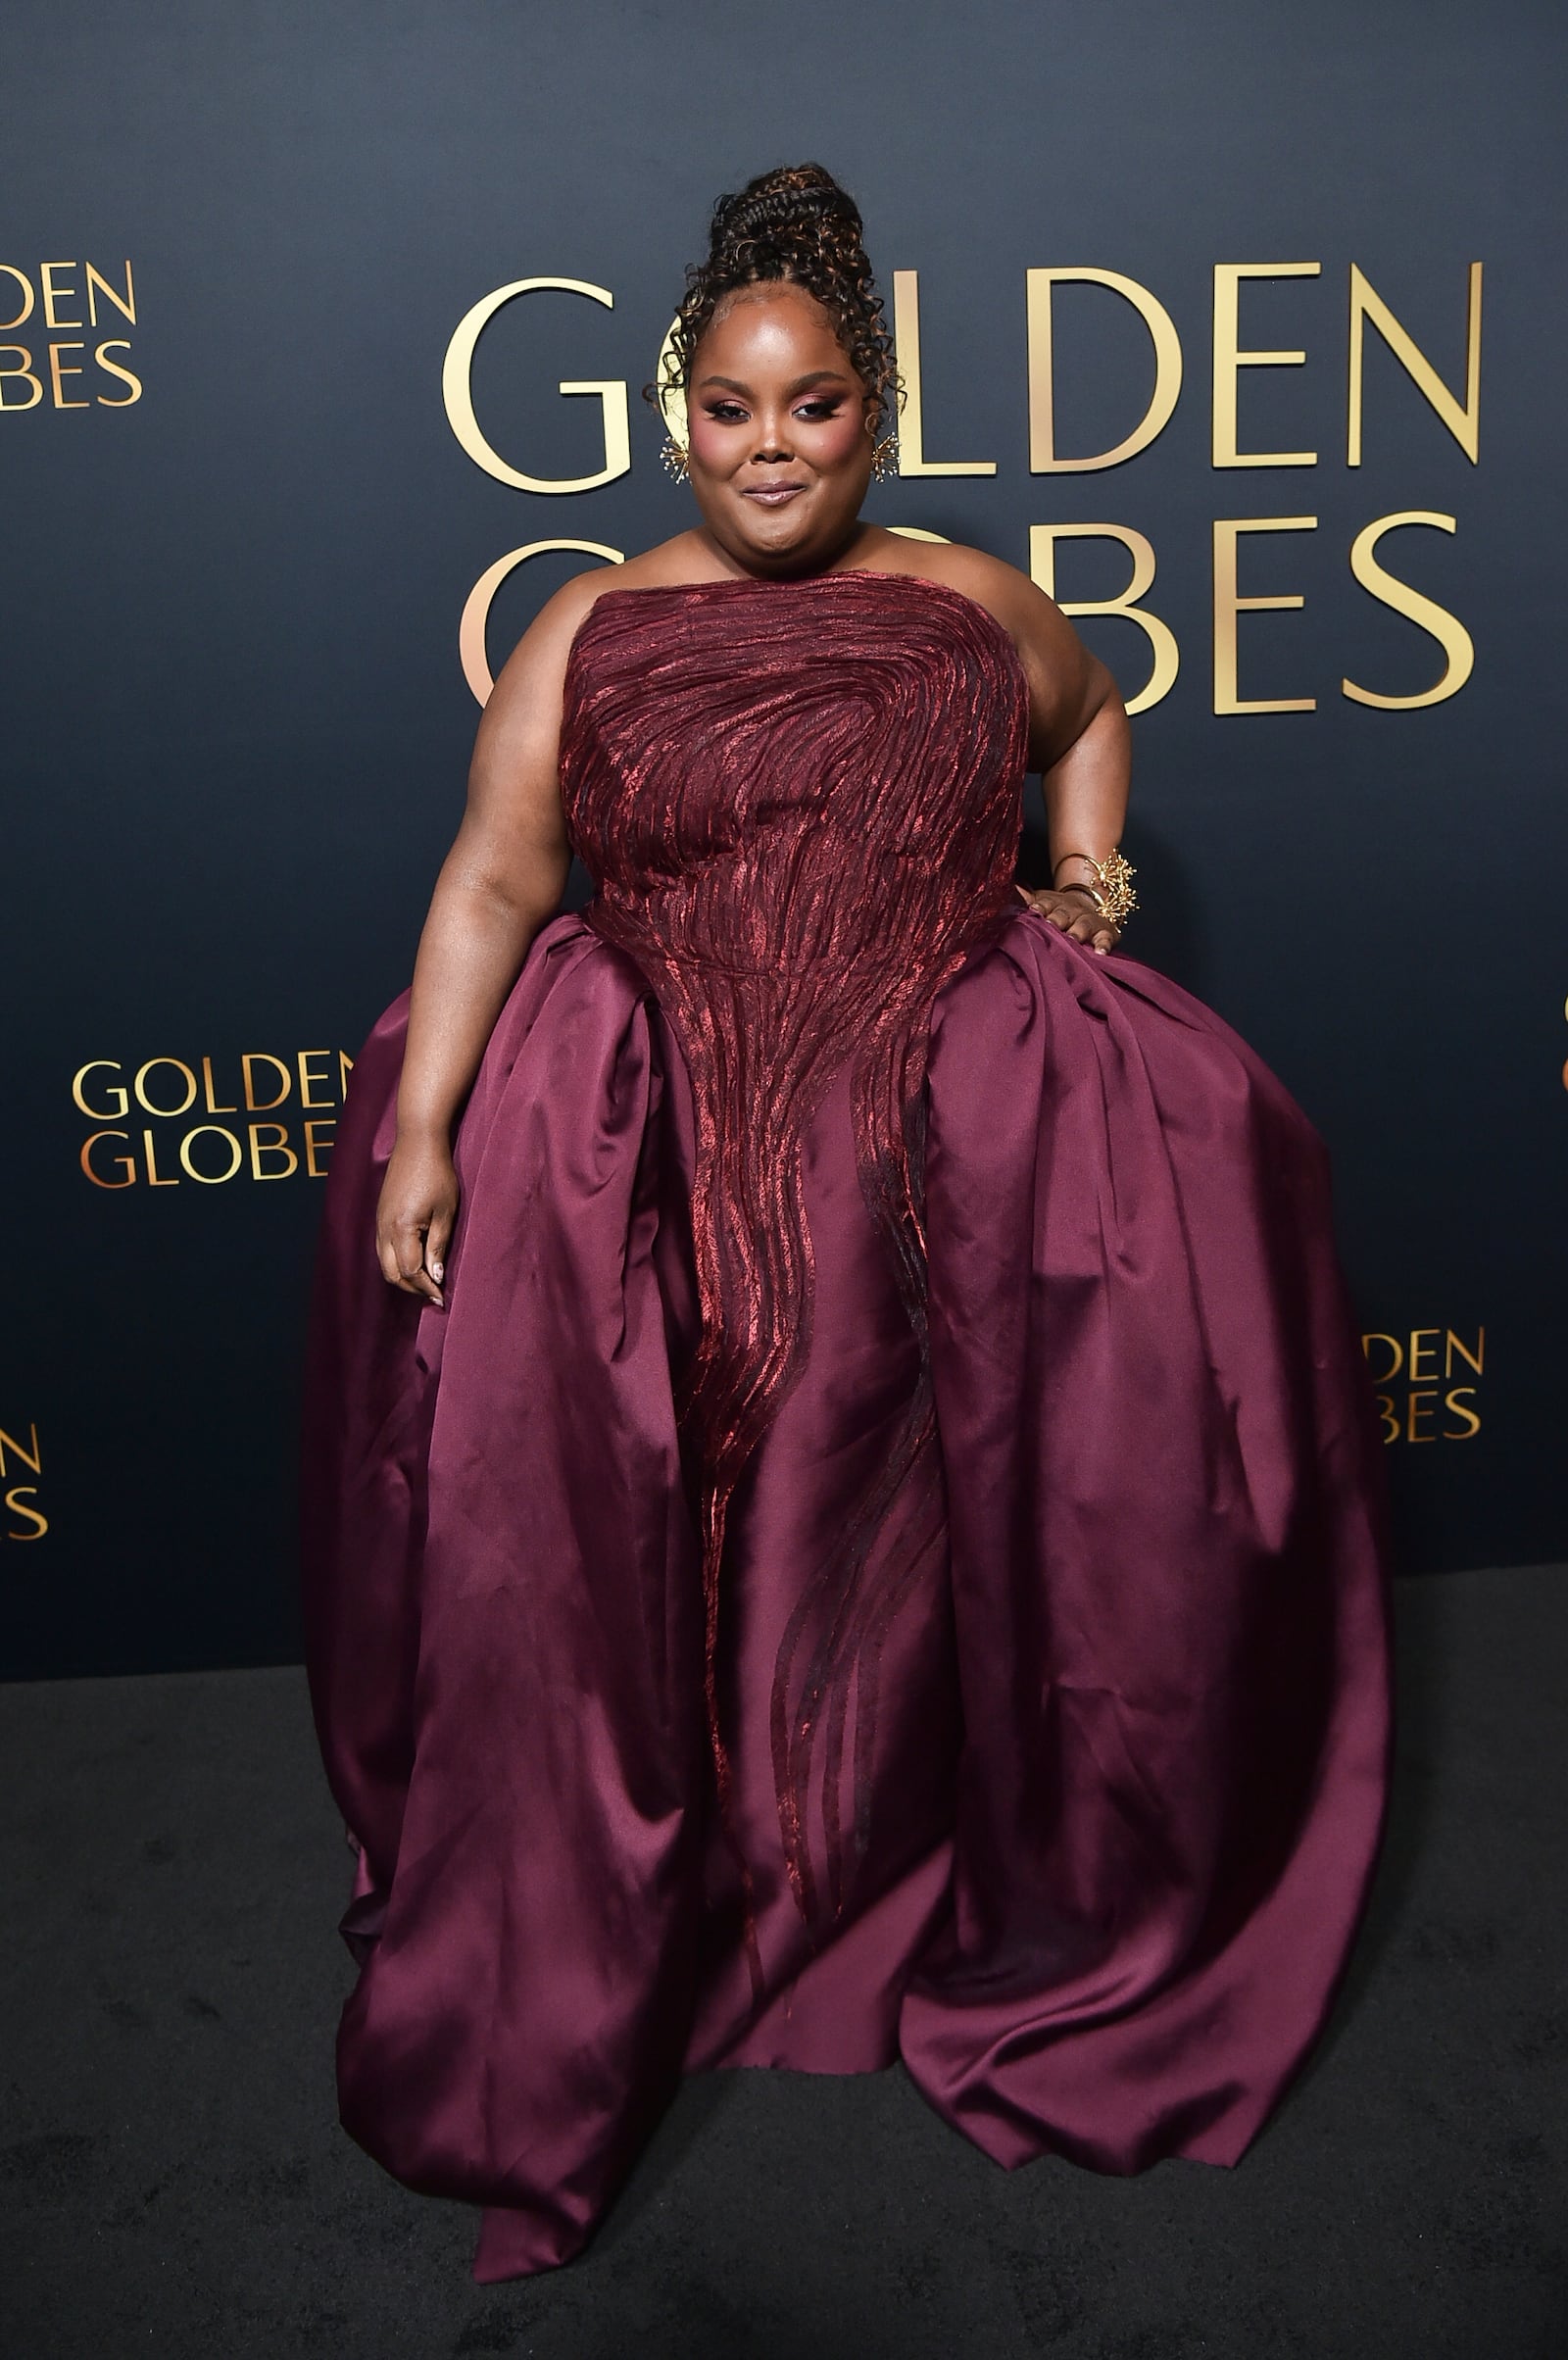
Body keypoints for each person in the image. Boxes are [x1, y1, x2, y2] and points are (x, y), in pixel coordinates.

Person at [301, 163, 1392, 2286]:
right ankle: (693, 1897)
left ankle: (891, 1875)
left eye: (808, 409)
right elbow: (487, 890)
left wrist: (1083, 889)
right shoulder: (590, 629)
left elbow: (1089, 726)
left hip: (935, 1166)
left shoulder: (972, 601)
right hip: (658, 1165)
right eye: (728, 406)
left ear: (872, 412)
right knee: (683, 1523)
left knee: (913, 1533)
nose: (766, 447)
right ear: (671, 410)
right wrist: (426, 1130)